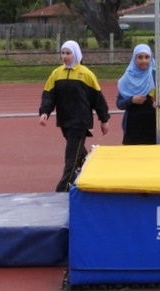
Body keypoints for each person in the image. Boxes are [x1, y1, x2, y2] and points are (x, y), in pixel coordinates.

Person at [39, 40, 110, 192]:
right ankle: (93, 166)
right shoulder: (56, 74)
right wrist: (45, 112)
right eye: (63, 53)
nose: (64, 56)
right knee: (78, 152)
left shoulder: (86, 74)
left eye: (68, 53)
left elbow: (98, 99)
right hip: (64, 121)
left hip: (80, 122)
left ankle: (63, 188)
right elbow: (49, 95)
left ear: (76, 54)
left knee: (71, 157)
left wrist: (104, 119)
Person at [115, 44, 160, 145]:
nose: (144, 61)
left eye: (147, 57)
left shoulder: (157, 75)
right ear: (134, 58)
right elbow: (119, 103)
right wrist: (131, 100)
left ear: (151, 58)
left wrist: (159, 103)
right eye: (140, 57)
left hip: (154, 126)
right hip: (133, 127)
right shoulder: (127, 78)